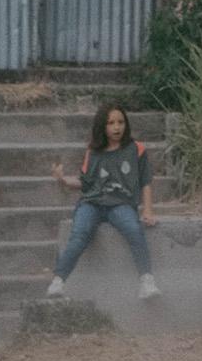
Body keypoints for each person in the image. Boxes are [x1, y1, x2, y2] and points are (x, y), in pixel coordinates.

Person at [46, 102, 160, 300]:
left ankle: (147, 280)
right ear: (102, 126)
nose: (117, 127)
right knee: (79, 235)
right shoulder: (93, 151)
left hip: (121, 204)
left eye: (120, 122)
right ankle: (58, 281)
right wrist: (63, 180)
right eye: (111, 123)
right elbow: (84, 183)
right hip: (92, 203)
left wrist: (148, 210)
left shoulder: (137, 149)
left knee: (133, 230)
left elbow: (146, 181)